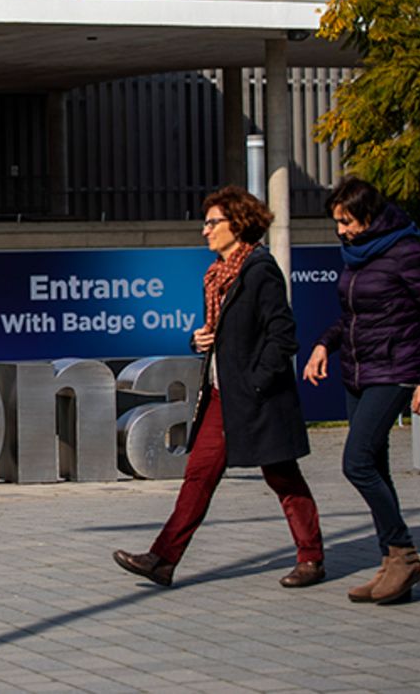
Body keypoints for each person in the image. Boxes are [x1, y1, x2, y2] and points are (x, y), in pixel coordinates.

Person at [114, 186, 324, 588]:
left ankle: (311, 558)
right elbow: (220, 334)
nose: (204, 230)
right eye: (205, 222)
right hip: (219, 396)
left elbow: (284, 336)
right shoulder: (216, 276)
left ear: (237, 223)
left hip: (257, 398)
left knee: (282, 476)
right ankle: (162, 559)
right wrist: (199, 340)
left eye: (212, 222)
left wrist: (256, 383)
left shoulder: (259, 270)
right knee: (198, 474)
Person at [303, 177, 420, 605]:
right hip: (359, 372)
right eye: (337, 222)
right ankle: (391, 565)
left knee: (356, 463)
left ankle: (404, 555)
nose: (341, 231)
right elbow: (354, 317)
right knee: (377, 467)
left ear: (368, 215)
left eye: (346, 221)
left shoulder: (405, 252)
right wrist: (323, 344)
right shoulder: (356, 255)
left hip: (396, 372)